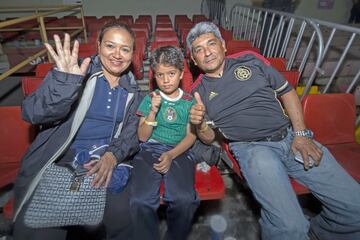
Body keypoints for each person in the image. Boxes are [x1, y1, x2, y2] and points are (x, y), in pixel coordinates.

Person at [187, 21, 360, 240]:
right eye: (198, 50)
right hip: (254, 150)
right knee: (291, 227)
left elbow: (287, 92)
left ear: (223, 45)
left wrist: (301, 134)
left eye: (211, 44)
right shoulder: (197, 92)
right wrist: (200, 123)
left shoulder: (250, 60)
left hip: (291, 137)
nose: (207, 52)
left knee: (355, 209)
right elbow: (209, 137)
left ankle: (319, 231)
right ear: (193, 59)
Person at [13, 20, 143, 240]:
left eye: (125, 48)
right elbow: (31, 113)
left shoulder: (133, 92)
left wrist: (113, 155)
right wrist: (65, 83)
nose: (117, 54)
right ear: (98, 45)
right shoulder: (74, 74)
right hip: (61, 160)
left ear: (132, 55)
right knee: (40, 232)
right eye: (110, 46)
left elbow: (131, 135)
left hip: (105, 160)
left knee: (125, 216)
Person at [130, 45, 199, 240]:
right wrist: (152, 111)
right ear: (154, 77)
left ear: (180, 74)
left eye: (171, 73)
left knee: (183, 199)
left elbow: (191, 136)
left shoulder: (188, 101)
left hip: (179, 151)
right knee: (140, 200)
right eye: (160, 75)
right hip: (150, 148)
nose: (166, 79)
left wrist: (171, 155)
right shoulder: (150, 99)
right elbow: (142, 137)